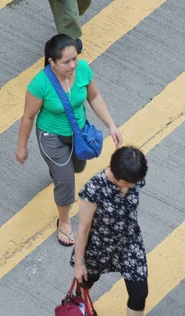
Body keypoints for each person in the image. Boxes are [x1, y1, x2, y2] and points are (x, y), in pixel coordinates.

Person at [16, 34, 122, 247]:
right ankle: (64, 221)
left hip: (79, 134)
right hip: (51, 137)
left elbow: (94, 97)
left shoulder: (82, 70)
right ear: (52, 62)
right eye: (66, 61)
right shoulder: (39, 84)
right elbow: (28, 117)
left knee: (78, 166)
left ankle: (58, 172)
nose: (73, 65)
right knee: (66, 182)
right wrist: (22, 146)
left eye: (75, 58)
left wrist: (111, 125)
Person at [72, 146, 148, 316]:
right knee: (85, 285)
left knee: (139, 293)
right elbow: (83, 230)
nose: (133, 186)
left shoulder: (133, 176)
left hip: (129, 241)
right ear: (116, 175)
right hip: (99, 246)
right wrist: (79, 263)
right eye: (128, 183)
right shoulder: (94, 189)